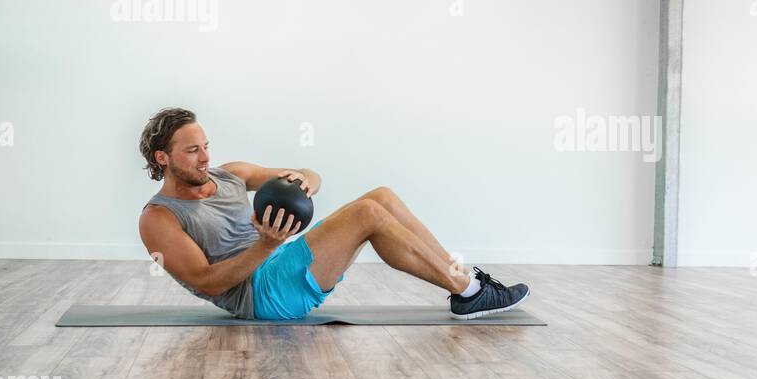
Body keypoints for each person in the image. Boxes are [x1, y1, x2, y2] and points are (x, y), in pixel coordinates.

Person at [136, 107, 529, 320]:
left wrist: (305, 178)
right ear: (162, 157)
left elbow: (310, 175)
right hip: (260, 297)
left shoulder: (231, 175)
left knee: (382, 197)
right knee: (366, 214)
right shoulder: (158, 218)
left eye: (206, 146)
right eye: (192, 151)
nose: (205, 157)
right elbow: (207, 283)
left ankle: (464, 280)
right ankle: (470, 292)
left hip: (280, 262)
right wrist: (264, 245)